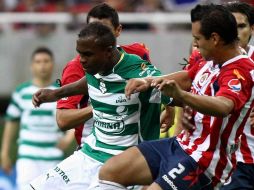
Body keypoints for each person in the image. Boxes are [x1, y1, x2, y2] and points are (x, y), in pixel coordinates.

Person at [98, 4, 254, 190]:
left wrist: (181, 95)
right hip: (180, 144)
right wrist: (149, 81)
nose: (194, 44)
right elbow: (187, 76)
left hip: (205, 160)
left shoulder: (240, 70)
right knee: (111, 171)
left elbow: (223, 106)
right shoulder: (208, 59)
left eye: (197, 39)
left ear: (214, 39)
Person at [30, 22, 172, 190]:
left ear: (108, 51)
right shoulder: (95, 66)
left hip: (124, 162)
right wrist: (56, 93)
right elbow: (91, 81)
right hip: (89, 153)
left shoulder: (136, 72)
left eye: (87, 54)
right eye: (80, 54)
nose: (82, 60)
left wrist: (171, 109)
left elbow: (171, 88)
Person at [56, 3, 152, 148]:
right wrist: (102, 105)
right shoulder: (76, 67)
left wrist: (168, 109)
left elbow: (155, 85)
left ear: (118, 30)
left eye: (103, 30)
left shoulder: (137, 53)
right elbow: (63, 120)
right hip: (93, 151)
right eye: (92, 30)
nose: (96, 37)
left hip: (135, 149)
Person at [0, 47, 74, 190]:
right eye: (38, 62)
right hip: (28, 157)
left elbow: (72, 116)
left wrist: (67, 139)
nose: (42, 65)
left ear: (53, 64)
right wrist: (4, 153)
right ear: (32, 65)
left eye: (46, 61)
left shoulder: (61, 92)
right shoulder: (21, 92)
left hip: (53, 158)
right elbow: (11, 122)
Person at [220, 2, 254, 190]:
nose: (235, 32)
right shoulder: (209, 64)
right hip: (234, 162)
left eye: (241, 26)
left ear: (252, 29)